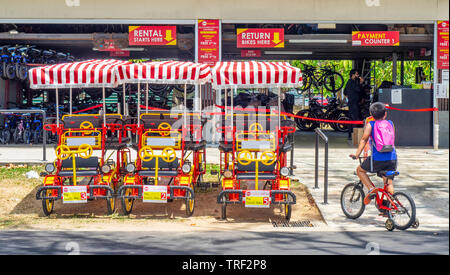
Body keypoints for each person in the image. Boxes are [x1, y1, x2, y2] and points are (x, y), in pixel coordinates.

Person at [350, 102, 397, 206]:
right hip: (392, 158)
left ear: (371, 115)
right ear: (385, 114)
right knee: (388, 183)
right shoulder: (390, 123)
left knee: (360, 170)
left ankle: (371, 189)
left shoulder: (370, 125)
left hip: (377, 159)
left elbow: (363, 140)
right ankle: (389, 208)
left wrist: (357, 154)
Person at [344, 69, 364, 139]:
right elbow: (358, 89)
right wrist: (361, 83)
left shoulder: (348, 82)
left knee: (351, 118)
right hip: (354, 103)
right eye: (356, 74)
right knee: (355, 118)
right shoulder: (353, 82)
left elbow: (345, 92)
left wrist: (350, 97)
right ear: (353, 75)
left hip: (351, 103)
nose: (358, 76)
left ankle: (350, 135)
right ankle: (354, 135)